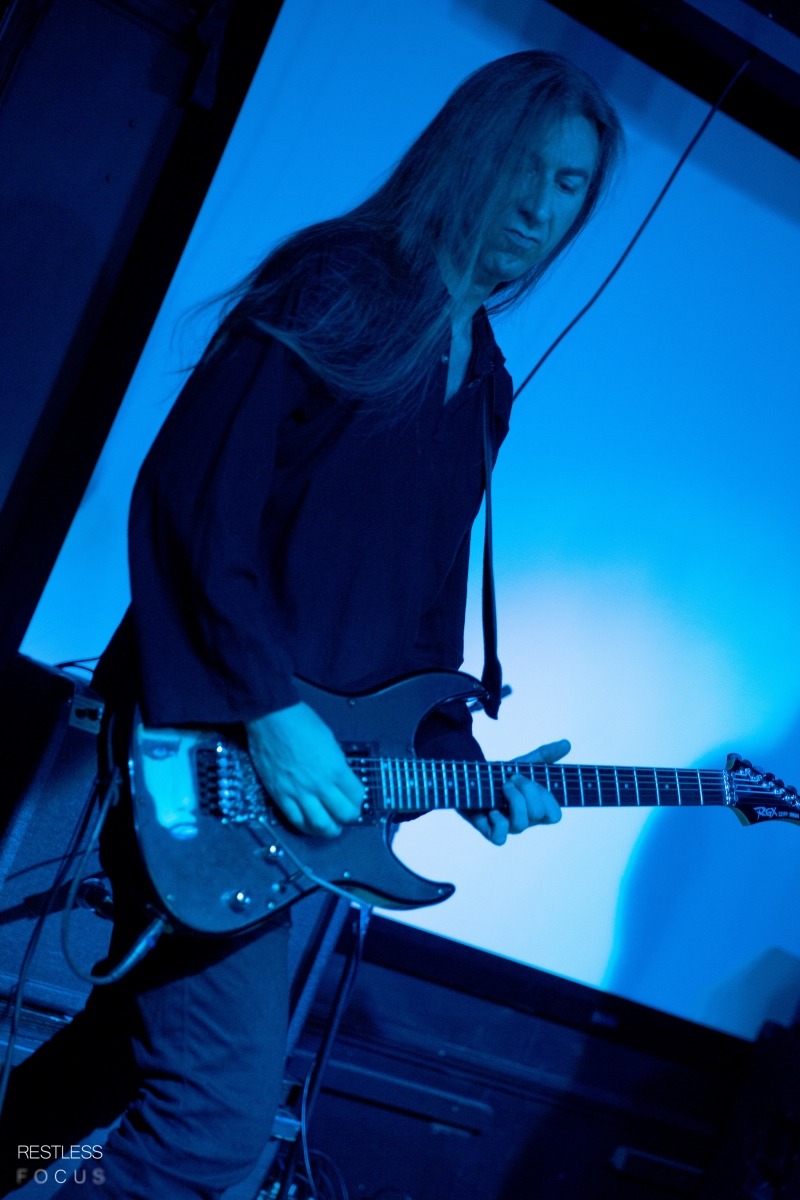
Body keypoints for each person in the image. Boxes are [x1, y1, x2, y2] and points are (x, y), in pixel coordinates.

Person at [0, 50, 622, 1200]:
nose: (539, 208)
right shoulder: (342, 280)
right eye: (525, 169)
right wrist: (270, 712)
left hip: (282, 794)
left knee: (112, 1068)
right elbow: (190, 499)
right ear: (468, 154)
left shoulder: (483, 377)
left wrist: (463, 772)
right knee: (208, 1142)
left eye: (570, 185)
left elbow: (420, 618)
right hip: (206, 751)